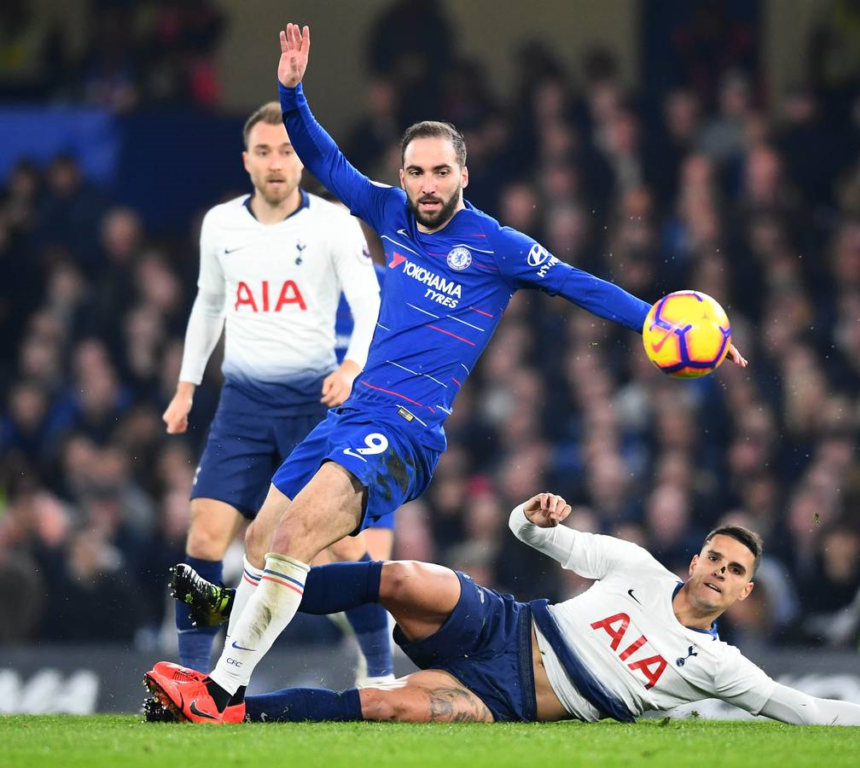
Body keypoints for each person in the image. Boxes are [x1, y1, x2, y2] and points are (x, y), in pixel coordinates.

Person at [144, 22, 749, 724]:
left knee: (287, 541)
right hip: (350, 415)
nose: (427, 185)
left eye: (440, 171)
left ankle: (221, 693)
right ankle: (256, 662)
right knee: (259, 541)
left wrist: (658, 322)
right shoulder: (390, 213)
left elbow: (579, 283)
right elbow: (326, 158)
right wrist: (291, 90)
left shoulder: (496, 245)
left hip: (403, 429)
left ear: (464, 174)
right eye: (415, 171)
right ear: (402, 175)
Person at [147, 492, 860, 727]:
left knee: (386, 706)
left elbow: (803, 709)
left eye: (735, 570)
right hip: (506, 623)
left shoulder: (719, 667)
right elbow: (529, 536)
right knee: (402, 576)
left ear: (745, 594)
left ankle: (227, 716)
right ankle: (232, 604)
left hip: (508, 699)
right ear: (696, 556)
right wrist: (538, 518)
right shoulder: (636, 568)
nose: (717, 570)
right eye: (713, 554)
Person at [160, 100, 387, 679]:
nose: (276, 162)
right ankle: (192, 674)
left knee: (340, 547)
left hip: (315, 404)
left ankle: (381, 667)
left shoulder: (333, 221)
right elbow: (209, 304)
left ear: (301, 160)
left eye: (287, 150)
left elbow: (369, 301)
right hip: (241, 403)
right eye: (264, 151)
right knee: (206, 534)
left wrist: (352, 367)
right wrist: (186, 387)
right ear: (247, 160)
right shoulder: (220, 225)